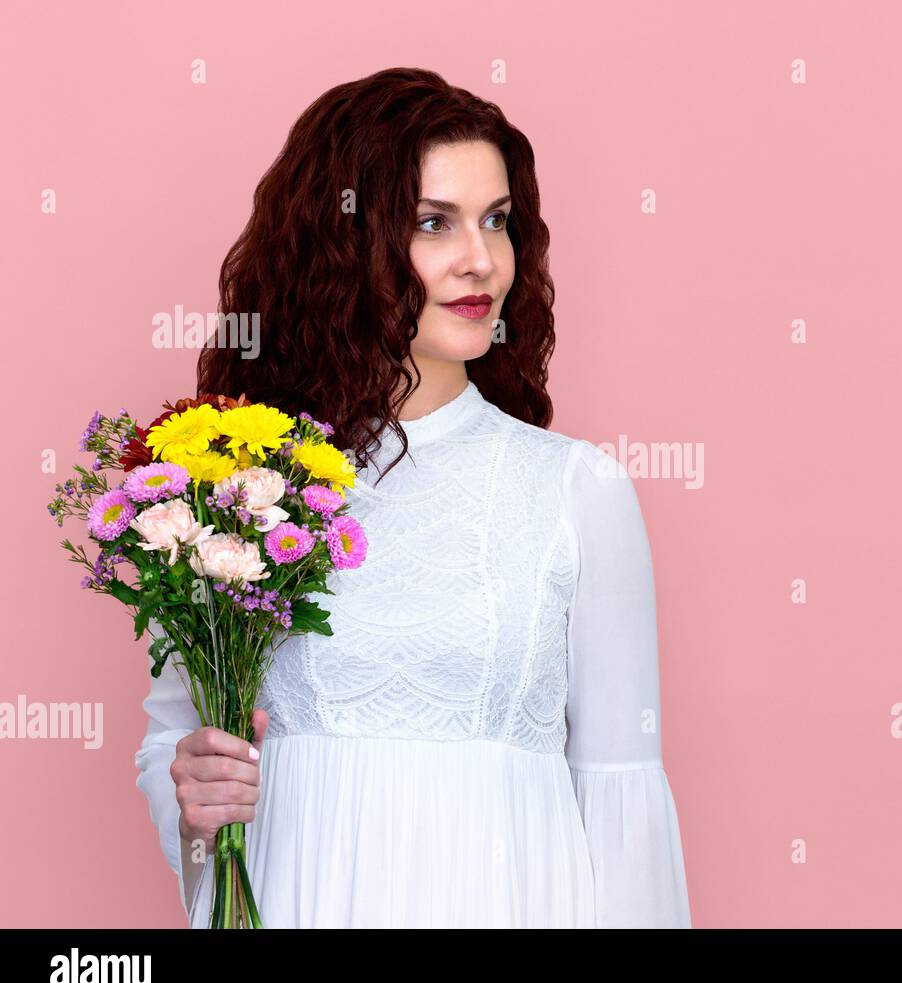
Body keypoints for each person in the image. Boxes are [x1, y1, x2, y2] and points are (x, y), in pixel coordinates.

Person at [132, 67, 691, 928]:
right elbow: (186, 767)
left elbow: (621, 802)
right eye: (435, 223)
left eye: (497, 221)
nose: (482, 260)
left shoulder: (576, 490)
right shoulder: (231, 488)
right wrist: (198, 808)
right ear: (338, 242)